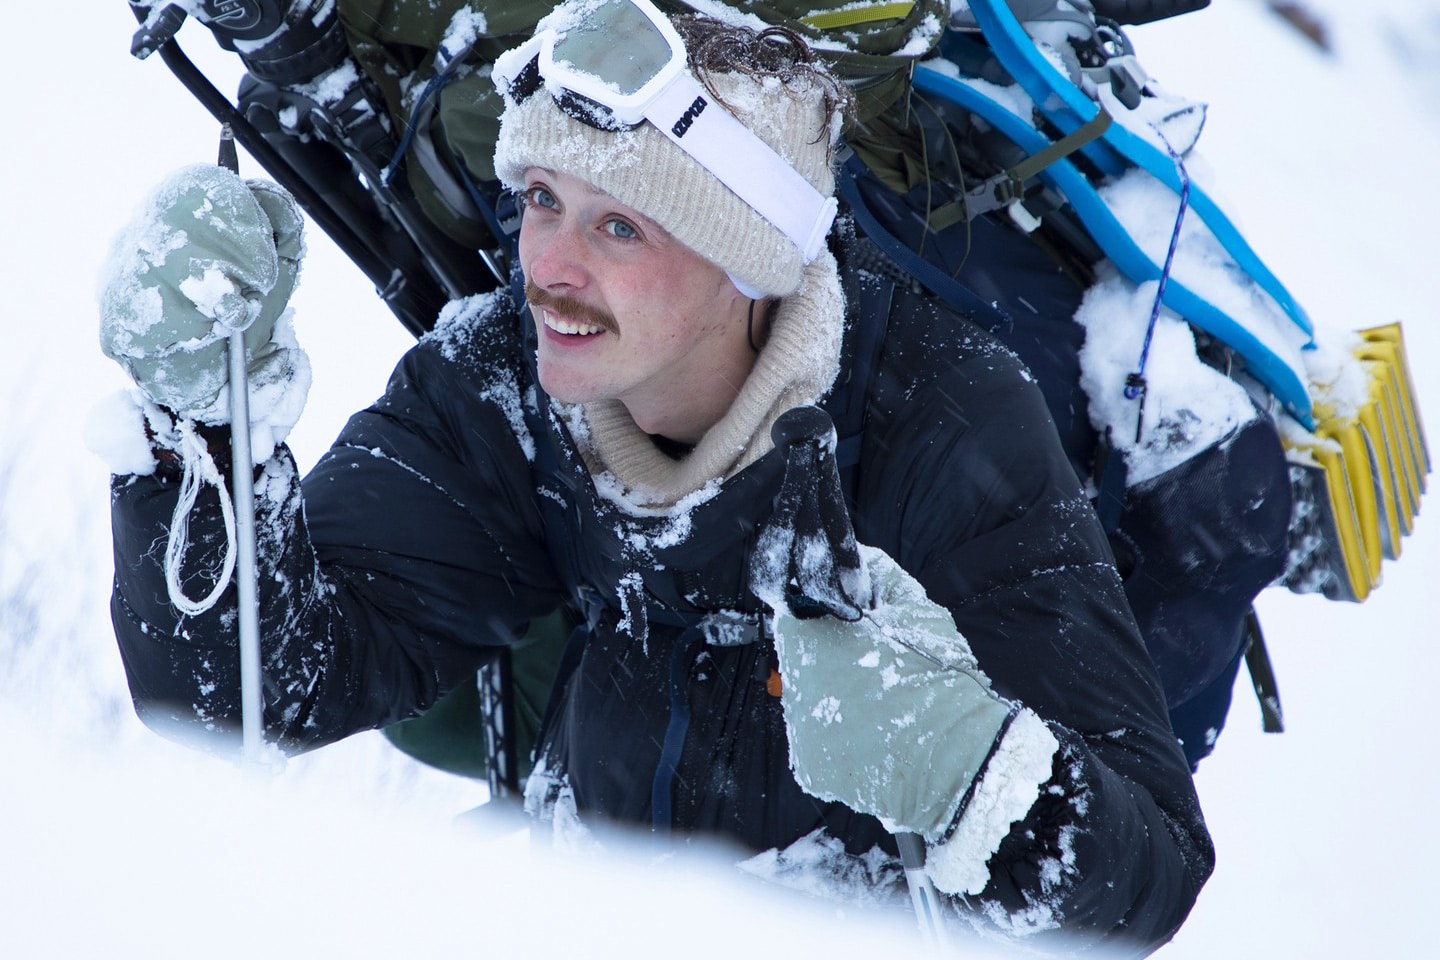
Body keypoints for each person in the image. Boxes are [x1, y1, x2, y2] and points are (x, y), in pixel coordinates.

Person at [97, 1, 1211, 953]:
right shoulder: (504, 382)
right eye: (541, 200)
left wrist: (970, 768)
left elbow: (1149, 877)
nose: (550, 269)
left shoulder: (946, 425)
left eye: (619, 226)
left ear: (750, 259)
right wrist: (195, 435)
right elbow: (246, 695)